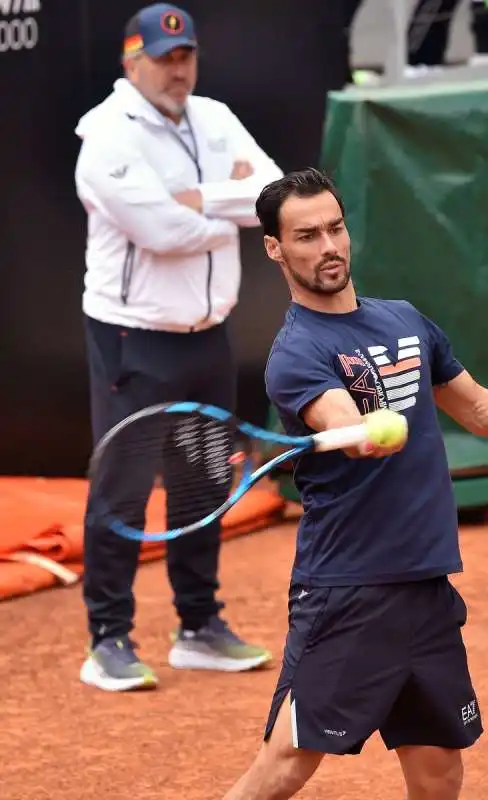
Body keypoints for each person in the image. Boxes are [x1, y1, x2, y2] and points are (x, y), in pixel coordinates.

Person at [221, 167, 488, 798]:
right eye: (307, 236)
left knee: (438, 769)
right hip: (351, 588)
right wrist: (365, 431)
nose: (329, 247)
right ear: (275, 248)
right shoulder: (297, 351)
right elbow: (344, 423)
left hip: (424, 585)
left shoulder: (404, 320)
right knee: (288, 763)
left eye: (336, 228)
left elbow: (480, 413)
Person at [74, 2, 283, 692]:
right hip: (133, 342)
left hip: (205, 340)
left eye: (185, 55)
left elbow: (273, 194)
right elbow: (158, 232)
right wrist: (229, 210)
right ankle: (107, 638)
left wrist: (198, 198)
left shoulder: (215, 118)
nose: (177, 69)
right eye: (163, 59)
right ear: (131, 62)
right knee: (124, 491)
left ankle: (198, 627)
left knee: (202, 482)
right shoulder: (105, 135)